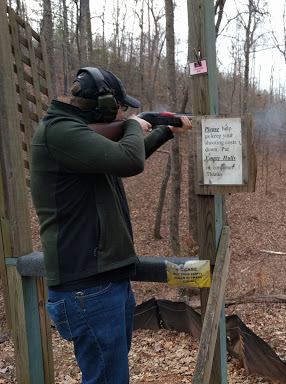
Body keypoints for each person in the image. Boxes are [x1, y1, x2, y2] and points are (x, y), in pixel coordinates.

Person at [30, 67, 192, 383]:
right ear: (104, 105)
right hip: (88, 286)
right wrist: (134, 124)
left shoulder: (77, 136)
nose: (124, 112)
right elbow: (128, 160)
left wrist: (164, 130)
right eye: (121, 107)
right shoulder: (60, 132)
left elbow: (123, 156)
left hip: (104, 282)